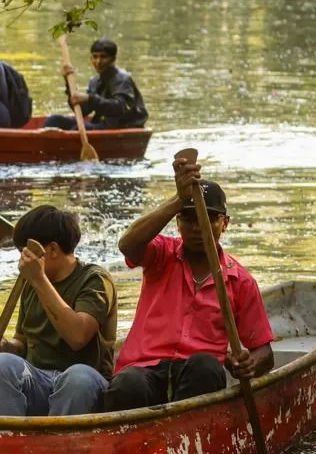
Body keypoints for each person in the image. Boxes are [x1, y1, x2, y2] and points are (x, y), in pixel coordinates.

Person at [101, 155, 274, 411]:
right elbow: (128, 244)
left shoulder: (239, 280)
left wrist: (248, 364)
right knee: (127, 384)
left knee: (205, 366)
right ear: (178, 223)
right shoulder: (161, 254)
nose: (197, 227)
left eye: (208, 218)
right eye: (189, 219)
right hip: (144, 370)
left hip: (197, 378)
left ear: (224, 223)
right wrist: (178, 199)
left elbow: (264, 353)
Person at [0, 206, 117, 417]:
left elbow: (77, 336)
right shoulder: (31, 283)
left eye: (27, 254)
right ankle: (9, 442)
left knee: (77, 378)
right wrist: (3, 346)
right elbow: (21, 342)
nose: (22, 263)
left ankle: (59, 445)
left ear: (52, 250)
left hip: (85, 385)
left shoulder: (94, 279)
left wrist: (39, 279)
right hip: (38, 381)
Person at [43, 37, 147, 131]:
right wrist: (69, 85)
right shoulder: (95, 81)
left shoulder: (122, 79)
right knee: (54, 120)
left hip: (122, 125)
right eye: (95, 57)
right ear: (91, 59)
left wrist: (90, 98)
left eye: (103, 57)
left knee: (78, 129)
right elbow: (83, 111)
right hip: (102, 123)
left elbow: (119, 108)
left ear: (113, 59)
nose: (98, 61)